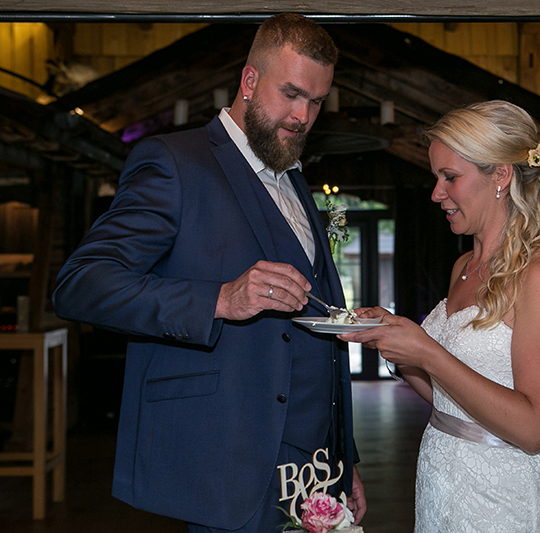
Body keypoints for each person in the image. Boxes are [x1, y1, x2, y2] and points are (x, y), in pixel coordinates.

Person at [52, 13, 365, 533]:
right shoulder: (174, 163)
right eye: (291, 94)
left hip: (313, 474)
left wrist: (343, 456)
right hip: (226, 464)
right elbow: (81, 283)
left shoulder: (293, 179)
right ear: (248, 80)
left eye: (315, 102)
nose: (302, 115)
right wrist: (218, 299)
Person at [341, 100, 540, 532]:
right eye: (436, 177)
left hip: (505, 500)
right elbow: (455, 401)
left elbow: (533, 428)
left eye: (450, 177)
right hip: (443, 480)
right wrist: (393, 344)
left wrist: (429, 354)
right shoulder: (464, 266)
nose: (436, 193)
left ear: (501, 175)